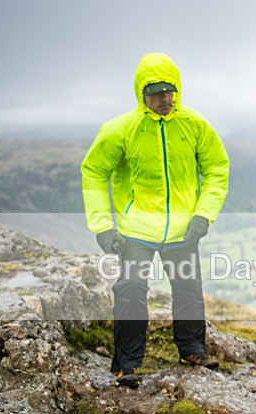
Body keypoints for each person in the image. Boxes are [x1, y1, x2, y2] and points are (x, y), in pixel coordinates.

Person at [82, 52, 230, 389]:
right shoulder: (120, 129)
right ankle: (127, 364)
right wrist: (102, 226)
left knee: (189, 290)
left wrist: (203, 215)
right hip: (135, 230)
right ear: (140, 93)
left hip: (183, 229)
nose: (165, 99)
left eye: (170, 91)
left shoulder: (194, 125)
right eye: (156, 92)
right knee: (131, 290)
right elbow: (93, 173)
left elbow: (217, 169)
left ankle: (192, 350)